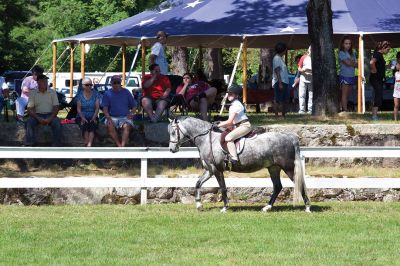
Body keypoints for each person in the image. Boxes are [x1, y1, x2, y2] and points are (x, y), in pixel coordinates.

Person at [217, 84, 251, 166]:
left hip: (244, 126)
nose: (229, 95)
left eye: (231, 94)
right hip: (239, 125)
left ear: (237, 95)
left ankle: (234, 159)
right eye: (228, 94)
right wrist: (220, 123)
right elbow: (231, 122)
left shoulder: (236, 105)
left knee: (228, 138)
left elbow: (230, 122)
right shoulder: (234, 104)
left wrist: (218, 125)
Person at [25, 74, 61, 147]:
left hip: (50, 114)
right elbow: (29, 109)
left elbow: (56, 107)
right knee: (29, 123)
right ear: (38, 82)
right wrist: (38, 118)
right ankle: (30, 143)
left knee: (57, 123)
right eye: (43, 81)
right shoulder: (33, 93)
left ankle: (56, 144)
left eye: (46, 81)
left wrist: (50, 118)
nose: (45, 83)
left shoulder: (52, 92)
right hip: (37, 114)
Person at [102, 75, 137, 147]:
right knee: (110, 125)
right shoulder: (107, 93)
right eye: (114, 82)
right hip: (112, 116)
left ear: (120, 83)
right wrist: (108, 117)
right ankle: (118, 145)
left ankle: (122, 146)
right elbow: (105, 108)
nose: (117, 84)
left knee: (127, 126)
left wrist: (131, 113)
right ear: (111, 83)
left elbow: (134, 106)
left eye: (118, 82)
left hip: (125, 117)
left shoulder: (126, 92)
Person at [370, 41, 391, 120]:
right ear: (383, 48)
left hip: (378, 79)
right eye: (388, 50)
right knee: (378, 95)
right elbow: (371, 62)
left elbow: (378, 64)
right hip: (375, 78)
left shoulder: (379, 55)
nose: (388, 51)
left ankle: (374, 114)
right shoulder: (378, 54)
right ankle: (374, 116)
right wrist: (374, 70)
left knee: (379, 95)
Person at [76, 77, 99, 147]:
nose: (89, 86)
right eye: (87, 85)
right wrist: (82, 117)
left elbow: (97, 107)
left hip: (93, 114)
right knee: (84, 124)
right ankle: (87, 142)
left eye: (90, 85)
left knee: (93, 124)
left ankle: (89, 144)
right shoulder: (80, 95)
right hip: (81, 115)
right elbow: (79, 109)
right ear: (83, 85)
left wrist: (94, 117)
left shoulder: (96, 94)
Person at [338, 36, 357, 112]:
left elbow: (356, 64)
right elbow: (348, 63)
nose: (348, 45)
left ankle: (343, 108)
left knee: (347, 95)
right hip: (344, 76)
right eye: (346, 43)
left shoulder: (353, 53)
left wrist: (351, 61)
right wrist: (352, 62)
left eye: (349, 43)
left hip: (352, 75)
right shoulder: (341, 53)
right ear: (342, 44)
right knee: (344, 94)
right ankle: (344, 110)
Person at [272, 42, 290, 117]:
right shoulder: (276, 58)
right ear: (282, 50)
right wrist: (280, 83)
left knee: (284, 99)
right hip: (280, 81)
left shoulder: (280, 58)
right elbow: (277, 71)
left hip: (284, 81)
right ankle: (277, 115)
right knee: (278, 99)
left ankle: (283, 114)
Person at [298, 46, 313, 114]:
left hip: (312, 78)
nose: (311, 51)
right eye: (310, 49)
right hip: (303, 78)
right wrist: (303, 71)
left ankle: (310, 109)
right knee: (302, 94)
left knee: (311, 95)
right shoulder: (303, 57)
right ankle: (302, 110)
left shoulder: (316, 58)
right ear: (308, 50)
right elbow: (299, 68)